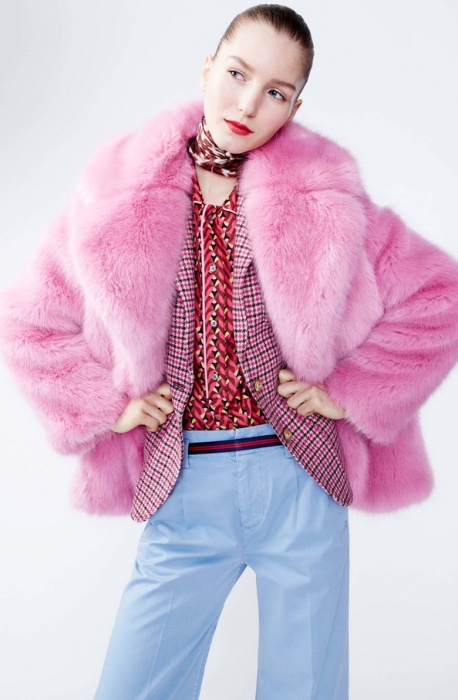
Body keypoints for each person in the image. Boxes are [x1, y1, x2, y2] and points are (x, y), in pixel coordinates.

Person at [1, 3, 458, 699]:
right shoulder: (118, 192)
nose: (248, 103)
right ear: (208, 69)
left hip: (297, 477)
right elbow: (26, 321)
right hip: (183, 485)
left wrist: (354, 391)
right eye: (238, 74)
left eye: (275, 91)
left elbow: (439, 295)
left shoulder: (325, 195)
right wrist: (103, 404)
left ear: (295, 106)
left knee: (305, 689)